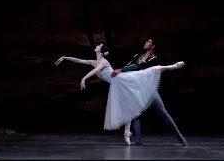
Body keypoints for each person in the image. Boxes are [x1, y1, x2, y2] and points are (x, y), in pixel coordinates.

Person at [54, 43, 185, 145]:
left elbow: (97, 71)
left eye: (99, 46)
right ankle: (127, 132)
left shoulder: (103, 61)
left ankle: (172, 66)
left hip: (122, 79)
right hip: (117, 85)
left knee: (148, 72)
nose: (97, 46)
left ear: (102, 50)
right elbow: (78, 60)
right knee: (128, 107)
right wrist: (65, 57)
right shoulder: (93, 62)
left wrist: (84, 78)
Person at [111, 38, 189, 146]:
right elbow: (129, 65)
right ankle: (138, 140)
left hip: (149, 89)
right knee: (135, 116)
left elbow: (140, 66)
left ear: (153, 46)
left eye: (148, 42)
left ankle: (180, 137)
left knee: (163, 112)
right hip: (138, 89)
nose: (145, 43)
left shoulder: (154, 59)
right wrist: (122, 69)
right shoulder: (138, 55)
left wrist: (121, 70)